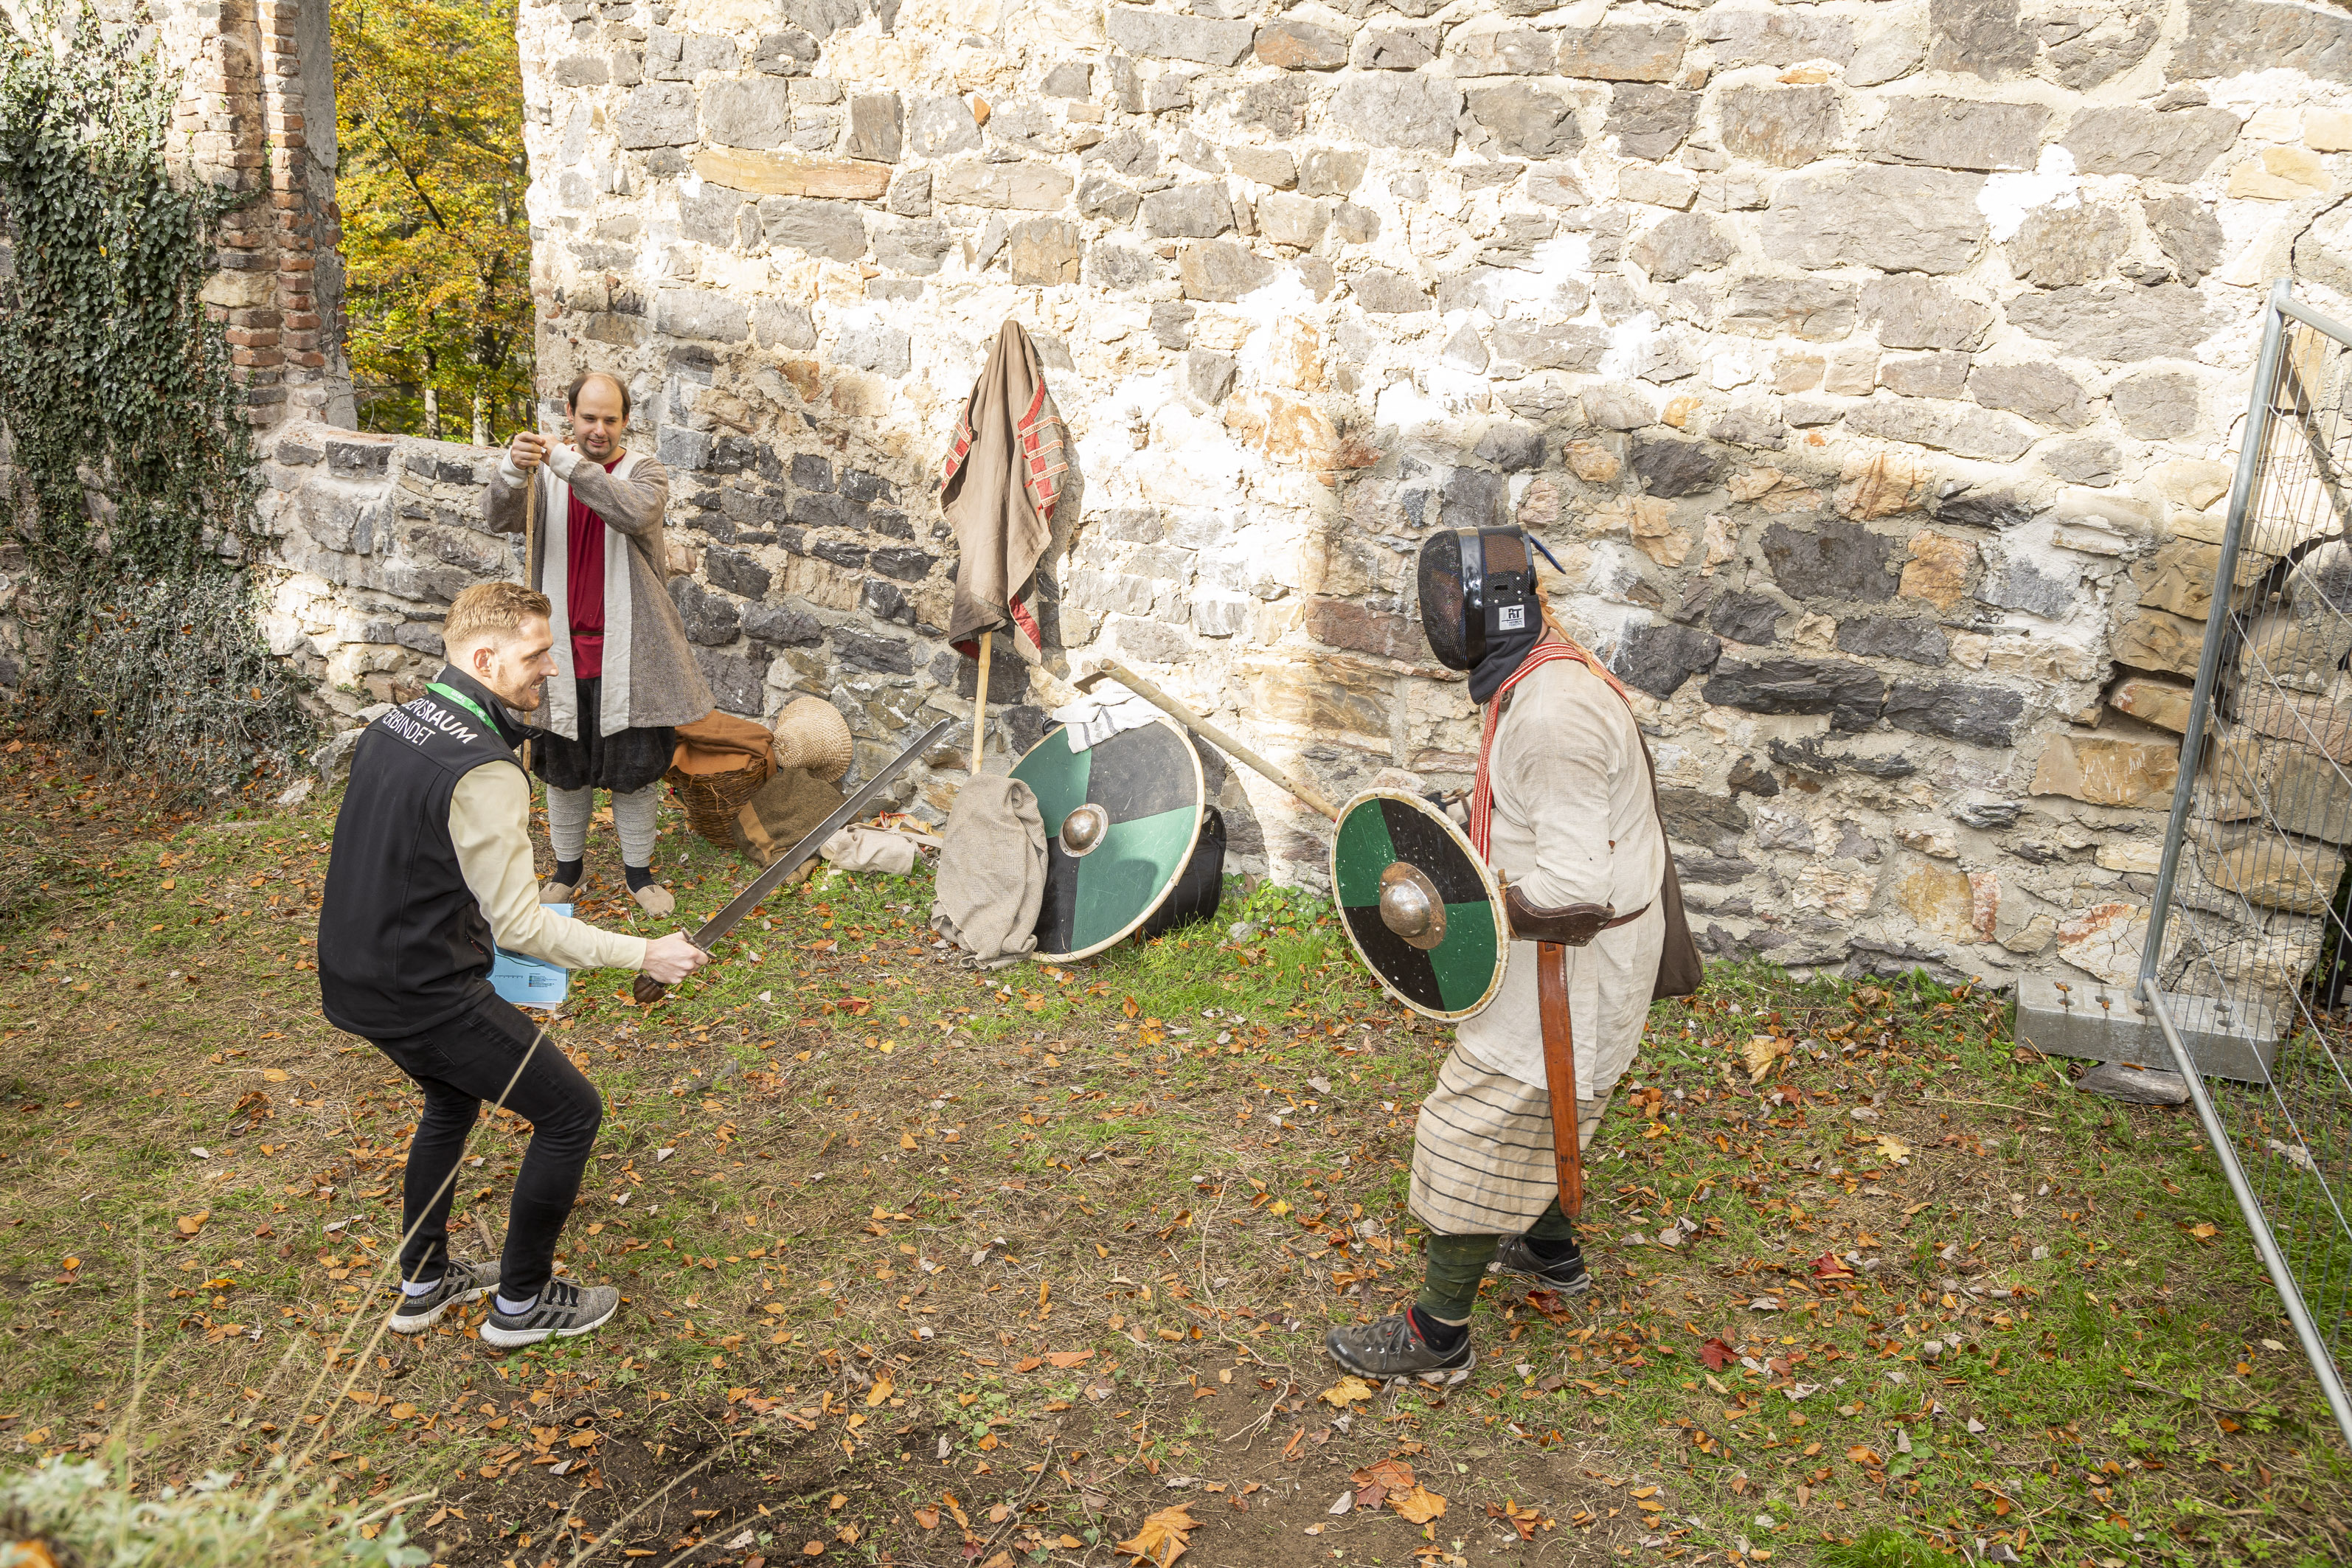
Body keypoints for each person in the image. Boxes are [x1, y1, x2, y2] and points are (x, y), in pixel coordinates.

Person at [1325, 525, 1695, 1379]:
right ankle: (1549, 1250)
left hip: (1571, 961)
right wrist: (1454, 815)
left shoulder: (1554, 714)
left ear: (1497, 606)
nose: (1443, 614)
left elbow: (1571, 894)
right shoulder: (1540, 673)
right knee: (1548, 1108)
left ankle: (1437, 1334)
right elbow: (1536, 807)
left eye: (1455, 601)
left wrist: (1451, 909)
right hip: (1578, 954)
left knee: (1474, 1123)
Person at [318, 581, 710, 1347]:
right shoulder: (486, 768)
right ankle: (523, 1304)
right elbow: (524, 926)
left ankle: (424, 1282)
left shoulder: (396, 721)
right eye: (536, 655)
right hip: (423, 993)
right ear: (485, 656)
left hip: (354, 973)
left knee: (450, 1102)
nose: (551, 670)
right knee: (570, 1112)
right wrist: (646, 951)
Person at [486, 370, 712, 917]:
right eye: (589, 418)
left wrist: (562, 461)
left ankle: (639, 874)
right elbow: (498, 517)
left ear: (626, 421)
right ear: (570, 413)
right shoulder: (545, 475)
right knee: (564, 767)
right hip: (556, 651)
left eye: (610, 419)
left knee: (635, 773)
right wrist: (512, 472)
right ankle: (567, 870)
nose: (599, 429)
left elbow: (631, 511)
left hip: (633, 655)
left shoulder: (645, 473)